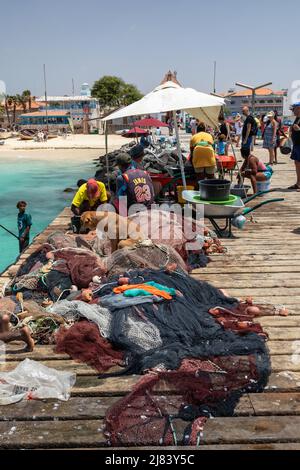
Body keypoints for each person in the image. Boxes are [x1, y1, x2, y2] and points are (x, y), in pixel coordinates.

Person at [288, 102, 300, 190]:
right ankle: (298, 183)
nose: (292, 111)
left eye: (294, 109)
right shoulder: (297, 118)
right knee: (297, 163)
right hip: (297, 144)